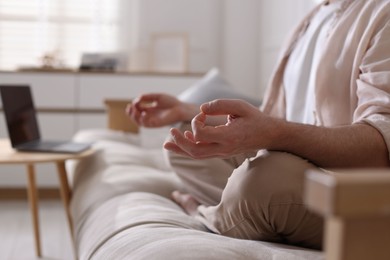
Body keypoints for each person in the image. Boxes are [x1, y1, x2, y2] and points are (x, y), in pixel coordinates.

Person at [127, 0, 390, 250]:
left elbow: (381, 146)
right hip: (297, 170)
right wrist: (187, 110)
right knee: (185, 140)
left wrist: (274, 134)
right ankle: (253, 212)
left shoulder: (382, 12)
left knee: (263, 176)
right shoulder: (313, 17)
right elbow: (276, 118)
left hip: (356, 193)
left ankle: (208, 214)